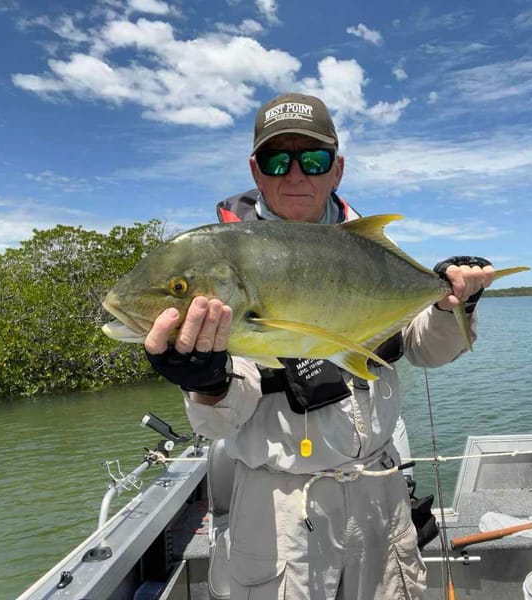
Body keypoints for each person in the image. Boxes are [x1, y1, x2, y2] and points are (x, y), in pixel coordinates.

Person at [144, 93, 495, 599]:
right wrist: (208, 382)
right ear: (255, 170)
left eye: (312, 159)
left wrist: (452, 303)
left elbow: (424, 348)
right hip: (280, 512)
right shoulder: (230, 261)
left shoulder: (369, 250)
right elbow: (222, 419)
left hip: (381, 498)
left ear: (337, 170)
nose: (294, 174)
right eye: (275, 159)